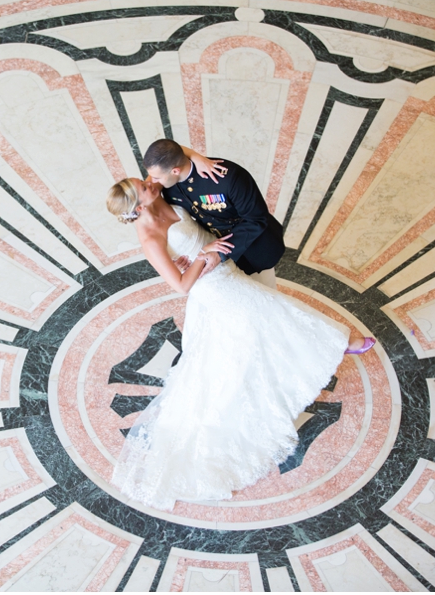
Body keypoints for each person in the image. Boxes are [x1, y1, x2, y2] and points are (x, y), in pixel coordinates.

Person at [105, 175, 375, 511]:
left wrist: (199, 252)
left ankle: (276, 371)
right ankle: (339, 340)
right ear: (139, 205)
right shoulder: (148, 236)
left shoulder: (168, 201)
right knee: (274, 310)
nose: (149, 181)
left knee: (251, 335)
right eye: (144, 186)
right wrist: (203, 256)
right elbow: (180, 286)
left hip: (226, 271)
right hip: (213, 288)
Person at [144, 139, 284, 289]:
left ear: (175, 170)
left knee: (266, 292)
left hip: (255, 248)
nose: (152, 182)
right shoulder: (168, 185)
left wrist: (220, 254)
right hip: (213, 250)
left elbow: (256, 219)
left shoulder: (229, 178)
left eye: (156, 177)